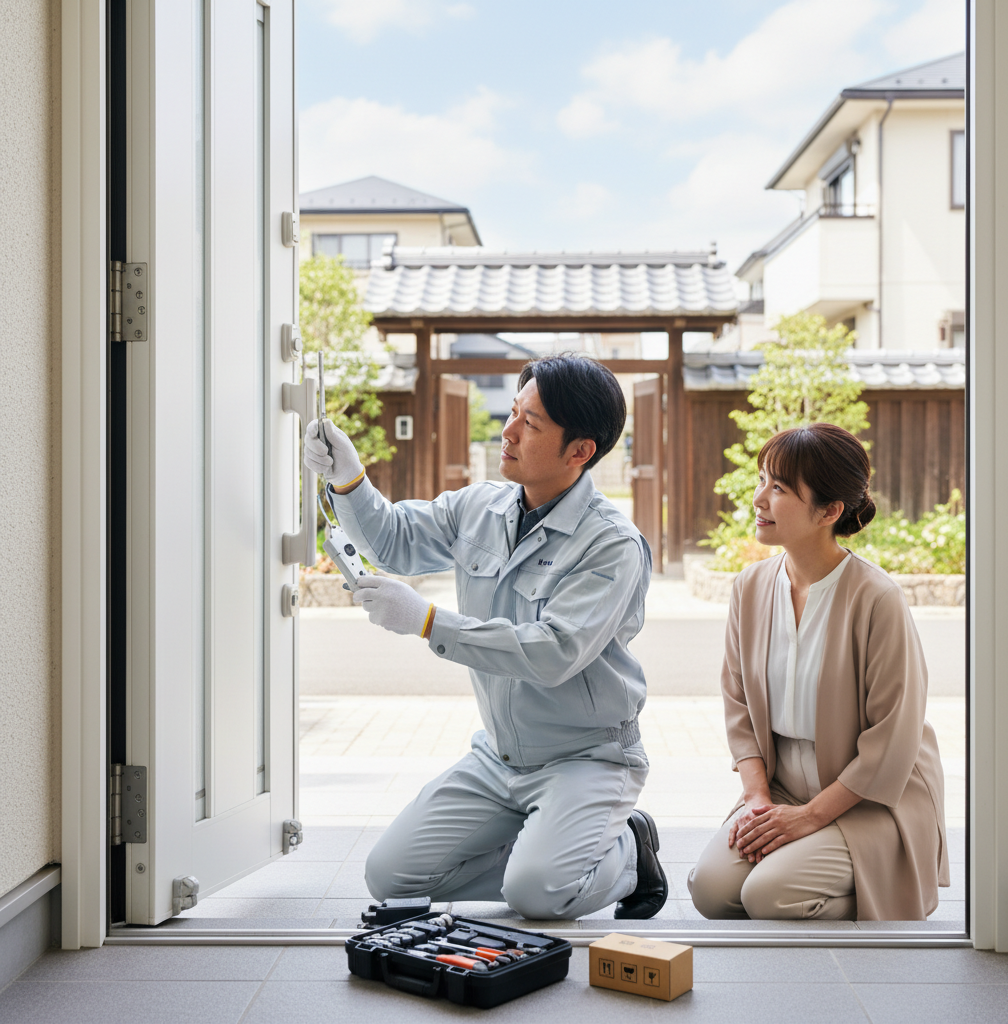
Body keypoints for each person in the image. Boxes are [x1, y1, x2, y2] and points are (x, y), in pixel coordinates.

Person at [303, 354, 668, 920]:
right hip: (499, 758)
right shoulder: (480, 506)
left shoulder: (611, 545)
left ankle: (625, 852)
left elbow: (553, 653)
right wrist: (349, 478)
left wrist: (429, 622)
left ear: (580, 451)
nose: (509, 430)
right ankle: (547, 847)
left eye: (532, 423)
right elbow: (394, 541)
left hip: (586, 759)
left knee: (536, 895)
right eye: (514, 412)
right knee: (389, 877)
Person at [688, 423, 949, 921]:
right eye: (763, 479)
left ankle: (895, 886)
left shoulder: (878, 598)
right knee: (712, 891)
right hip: (782, 785)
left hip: (870, 796)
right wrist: (759, 800)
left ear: (829, 512)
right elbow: (737, 705)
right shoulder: (749, 587)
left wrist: (808, 819)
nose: (759, 498)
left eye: (779, 488)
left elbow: (894, 738)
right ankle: (821, 870)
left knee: (767, 896)